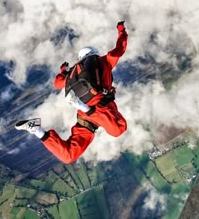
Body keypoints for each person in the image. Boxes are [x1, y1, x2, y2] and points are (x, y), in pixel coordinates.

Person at [15, 21, 128, 164]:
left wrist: (64, 72)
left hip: (86, 120)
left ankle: (37, 130)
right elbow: (120, 49)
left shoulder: (73, 72)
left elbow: (57, 83)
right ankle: (83, 107)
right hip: (99, 107)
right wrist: (121, 30)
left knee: (68, 156)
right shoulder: (103, 61)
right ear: (94, 54)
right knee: (118, 128)